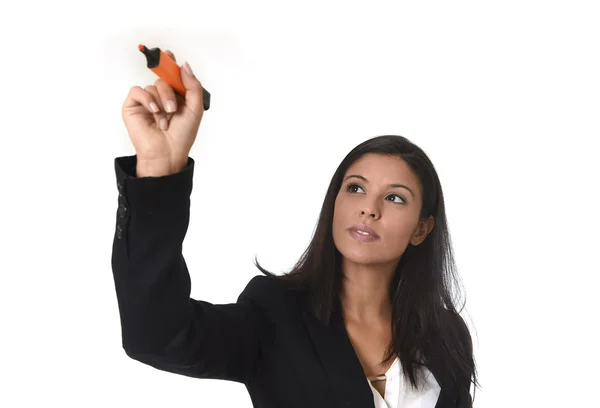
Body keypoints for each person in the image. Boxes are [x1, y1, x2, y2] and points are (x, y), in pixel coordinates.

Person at [111, 50, 478, 408]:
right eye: (355, 188)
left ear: (422, 229)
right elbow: (155, 335)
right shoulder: (275, 314)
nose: (370, 207)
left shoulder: (447, 335)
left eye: (395, 198)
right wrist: (159, 168)